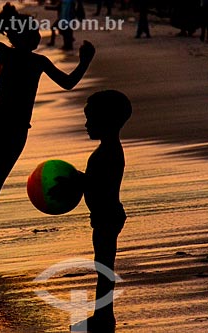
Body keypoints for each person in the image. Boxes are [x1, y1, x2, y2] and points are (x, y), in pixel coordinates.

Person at [0, 0, 95, 256]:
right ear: (16, 35)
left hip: (12, 127)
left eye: (34, 30)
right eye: (30, 30)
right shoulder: (8, 53)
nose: (35, 34)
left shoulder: (38, 61)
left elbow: (67, 83)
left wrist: (85, 62)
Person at [51, 90, 132, 333]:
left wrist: (74, 182)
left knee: (104, 269)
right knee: (103, 267)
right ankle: (102, 315)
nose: (86, 124)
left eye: (90, 119)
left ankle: (104, 318)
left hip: (107, 217)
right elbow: (95, 181)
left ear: (107, 121)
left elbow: (99, 184)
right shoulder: (107, 150)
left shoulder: (107, 153)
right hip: (104, 216)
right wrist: (79, 179)